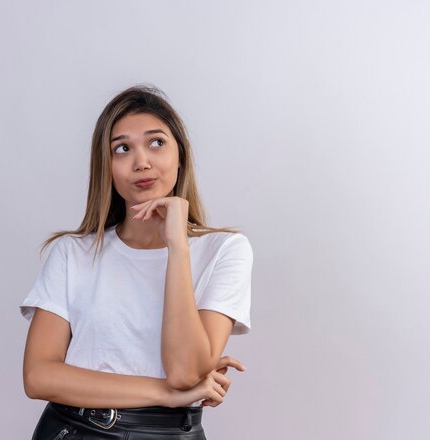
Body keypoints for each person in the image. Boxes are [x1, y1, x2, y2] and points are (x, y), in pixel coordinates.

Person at [19, 84, 254, 439]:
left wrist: (177, 246)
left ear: (181, 156)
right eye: (122, 148)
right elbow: (39, 377)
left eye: (156, 142)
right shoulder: (72, 253)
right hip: (78, 429)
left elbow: (185, 372)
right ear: (107, 166)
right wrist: (166, 393)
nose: (141, 161)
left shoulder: (225, 250)